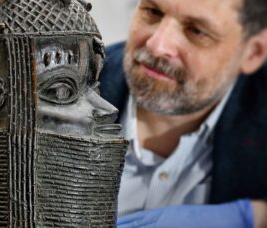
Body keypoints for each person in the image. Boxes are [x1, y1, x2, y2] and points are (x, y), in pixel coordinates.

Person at [99, 0, 267, 227]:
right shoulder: (55, 93)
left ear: (253, 54)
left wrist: (256, 217)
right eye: (153, 11)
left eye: (196, 31)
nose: (157, 45)